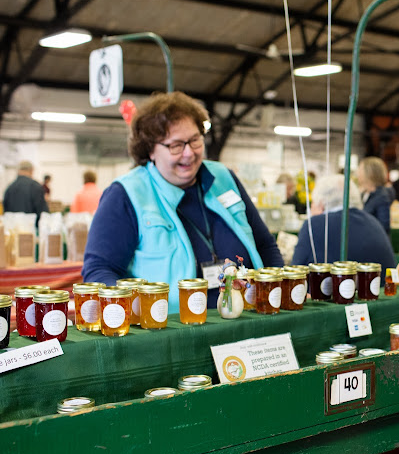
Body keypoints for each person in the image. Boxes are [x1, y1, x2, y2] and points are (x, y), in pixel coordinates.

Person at [83, 91, 283, 313]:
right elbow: (99, 271)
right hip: (173, 332)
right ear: (150, 149)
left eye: (195, 140)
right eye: (176, 146)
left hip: (246, 318)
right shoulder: (126, 194)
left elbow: (264, 244)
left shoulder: (224, 178)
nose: (189, 153)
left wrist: (278, 291)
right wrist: (139, 310)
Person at [291, 174, 396, 275]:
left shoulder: (313, 225)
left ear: (321, 204)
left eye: (313, 203)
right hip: (382, 290)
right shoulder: (373, 222)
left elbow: (296, 271)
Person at [356, 156, 392, 235]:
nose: (357, 173)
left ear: (370, 173)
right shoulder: (366, 193)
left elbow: (384, 227)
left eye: (360, 170)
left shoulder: (382, 196)